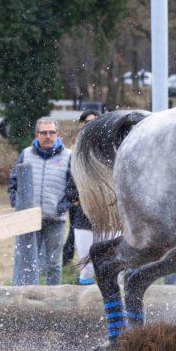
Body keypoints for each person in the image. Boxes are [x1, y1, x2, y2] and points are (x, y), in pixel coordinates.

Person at [7, 118, 75, 285]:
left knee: (54, 264)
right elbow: (13, 183)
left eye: (51, 132)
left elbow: (73, 188)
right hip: (30, 220)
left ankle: (54, 300)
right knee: (28, 263)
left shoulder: (68, 156)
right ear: (36, 135)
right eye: (43, 132)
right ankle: (28, 298)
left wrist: (62, 207)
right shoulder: (26, 154)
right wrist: (18, 204)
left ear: (57, 134)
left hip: (55, 220)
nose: (47, 136)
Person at [63, 110, 98, 283]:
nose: (91, 124)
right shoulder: (74, 152)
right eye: (87, 121)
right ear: (81, 124)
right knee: (86, 266)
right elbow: (70, 183)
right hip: (83, 212)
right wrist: (76, 200)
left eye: (95, 121)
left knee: (109, 264)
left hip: (108, 215)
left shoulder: (109, 150)